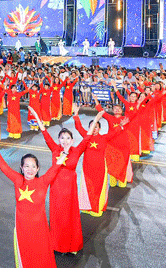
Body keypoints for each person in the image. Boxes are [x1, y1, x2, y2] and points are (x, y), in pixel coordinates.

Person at [0, 131, 67, 268]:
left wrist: (65, 152)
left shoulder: (43, 181)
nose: (30, 169)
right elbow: (4, 166)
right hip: (22, 229)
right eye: (27, 166)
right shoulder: (18, 180)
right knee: (26, 256)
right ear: (21, 168)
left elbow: (56, 166)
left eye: (33, 166)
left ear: (38, 168)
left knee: (41, 256)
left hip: (39, 229)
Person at [34, 107, 94, 254]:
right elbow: (45, 134)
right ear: (59, 140)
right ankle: (57, 244)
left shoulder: (77, 150)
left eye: (68, 138)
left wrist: (95, 119)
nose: (65, 141)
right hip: (56, 188)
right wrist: (38, 119)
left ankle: (71, 245)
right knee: (57, 216)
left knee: (70, 217)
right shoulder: (55, 149)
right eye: (62, 138)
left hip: (70, 189)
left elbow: (87, 137)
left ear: (72, 140)